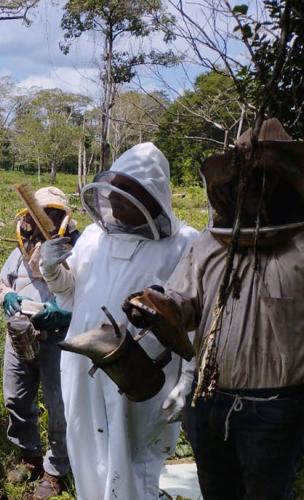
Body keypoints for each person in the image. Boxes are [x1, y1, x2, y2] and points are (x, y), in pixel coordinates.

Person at [124, 119, 304, 499]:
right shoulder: (209, 243)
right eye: (247, 174)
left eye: (265, 174)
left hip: (275, 411)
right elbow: (185, 303)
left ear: (286, 178)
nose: (254, 184)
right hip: (207, 401)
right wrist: (154, 306)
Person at [39, 143, 198, 499]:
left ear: (150, 197)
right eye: (115, 193)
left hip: (142, 372)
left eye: (127, 196)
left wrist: (188, 377)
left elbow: (197, 319)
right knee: (86, 446)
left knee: (134, 459)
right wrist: (51, 269)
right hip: (83, 363)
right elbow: (72, 293)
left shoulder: (184, 244)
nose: (115, 202)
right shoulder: (95, 237)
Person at [0, 187, 79, 498]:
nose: (41, 223)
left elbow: (88, 297)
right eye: (38, 215)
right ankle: (29, 456)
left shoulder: (77, 251)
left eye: (50, 215)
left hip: (59, 341)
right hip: (19, 336)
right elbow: (2, 283)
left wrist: (64, 316)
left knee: (59, 407)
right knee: (16, 398)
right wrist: (8, 297)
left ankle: (56, 469)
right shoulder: (17, 252)